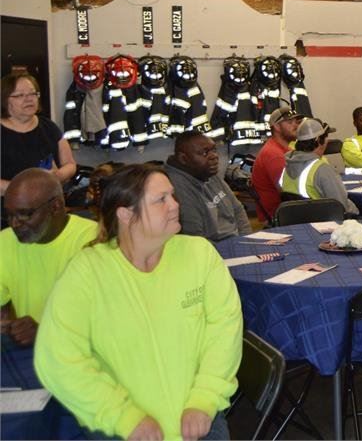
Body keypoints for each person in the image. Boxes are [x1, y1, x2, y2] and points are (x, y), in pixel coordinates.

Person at [35, 163, 242, 440]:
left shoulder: (200, 255)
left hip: (199, 421)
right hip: (123, 431)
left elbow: (224, 330)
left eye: (173, 196)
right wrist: (123, 416)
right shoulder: (88, 272)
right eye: (161, 200)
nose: (174, 205)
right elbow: (58, 358)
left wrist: (205, 398)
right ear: (126, 214)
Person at [1, 169, 97, 346]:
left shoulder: (94, 243)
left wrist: (44, 332)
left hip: (81, 356)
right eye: (9, 214)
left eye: (25, 214)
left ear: (56, 207)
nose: (15, 223)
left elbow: (105, 323)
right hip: (33, 355)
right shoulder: (4, 242)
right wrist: (7, 324)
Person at [164, 131, 252, 240]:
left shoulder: (205, 172)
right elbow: (195, 239)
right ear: (183, 159)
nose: (214, 156)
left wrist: (246, 241)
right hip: (214, 251)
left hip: (237, 243)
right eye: (205, 153)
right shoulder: (176, 187)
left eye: (214, 150)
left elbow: (238, 209)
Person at [1, 72, 77, 196]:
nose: (29, 99)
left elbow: (70, 164)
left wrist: (58, 176)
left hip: (47, 206)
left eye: (33, 93)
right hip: (7, 208)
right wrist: (25, 190)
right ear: (4, 100)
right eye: (20, 95)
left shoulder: (48, 127)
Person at [280, 118, 359, 216]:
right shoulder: (321, 170)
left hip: (298, 222)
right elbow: (341, 206)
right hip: (324, 222)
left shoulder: (287, 165)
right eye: (326, 137)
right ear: (319, 140)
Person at [250, 107, 304, 222]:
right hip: (280, 216)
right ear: (277, 126)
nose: (296, 126)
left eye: (296, 122)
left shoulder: (283, 149)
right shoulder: (274, 155)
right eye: (289, 122)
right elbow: (290, 193)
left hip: (286, 210)